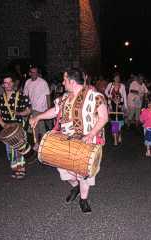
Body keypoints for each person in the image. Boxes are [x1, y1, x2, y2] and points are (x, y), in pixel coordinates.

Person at [29, 68, 108, 213]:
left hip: (87, 141)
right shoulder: (65, 97)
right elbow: (54, 111)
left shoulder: (95, 96)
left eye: (64, 80)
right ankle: (75, 186)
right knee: (64, 170)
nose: (62, 82)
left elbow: (104, 118)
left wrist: (91, 134)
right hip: (66, 141)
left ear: (71, 82)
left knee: (83, 172)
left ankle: (83, 199)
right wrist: (38, 117)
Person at [0, 73, 31, 179]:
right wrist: (4, 125)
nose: (9, 84)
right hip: (7, 127)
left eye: (10, 82)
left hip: (19, 126)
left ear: (13, 83)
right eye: (6, 83)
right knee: (10, 150)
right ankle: (15, 169)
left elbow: (28, 110)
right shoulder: (0, 99)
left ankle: (22, 169)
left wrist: (20, 113)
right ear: (3, 85)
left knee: (20, 147)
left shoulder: (21, 96)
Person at [23, 67, 51, 150]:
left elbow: (48, 95)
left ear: (37, 73)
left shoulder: (43, 82)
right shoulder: (27, 82)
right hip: (32, 108)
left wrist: (48, 109)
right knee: (37, 127)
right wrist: (26, 106)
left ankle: (39, 143)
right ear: (29, 73)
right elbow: (25, 96)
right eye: (32, 72)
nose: (34, 74)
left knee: (37, 127)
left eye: (35, 72)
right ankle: (41, 143)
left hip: (41, 108)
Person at [108, 81, 125, 146]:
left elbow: (121, 105)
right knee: (114, 130)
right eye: (115, 85)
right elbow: (109, 105)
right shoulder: (110, 96)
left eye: (117, 86)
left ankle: (119, 135)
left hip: (119, 116)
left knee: (118, 129)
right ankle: (115, 141)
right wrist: (109, 108)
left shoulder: (120, 96)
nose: (116, 87)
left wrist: (120, 105)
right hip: (113, 115)